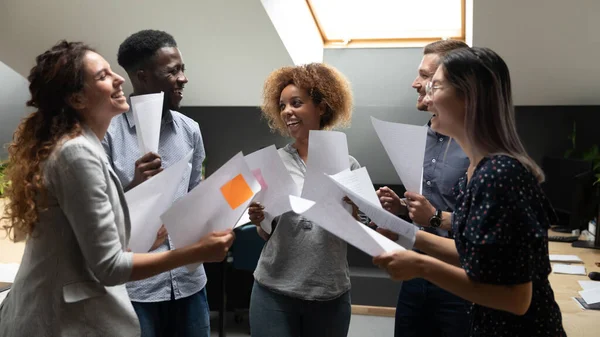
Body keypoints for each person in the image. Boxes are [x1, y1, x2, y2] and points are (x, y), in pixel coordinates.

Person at [0, 41, 234, 337]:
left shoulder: (83, 146)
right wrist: (195, 252)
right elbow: (109, 265)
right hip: (60, 320)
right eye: (102, 76)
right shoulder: (76, 154)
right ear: (77, 98)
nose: (119, 78)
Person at [374, 47, 566, 336]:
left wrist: (423, 266)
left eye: (435, 85)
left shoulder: (500, 174)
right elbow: (472, 252)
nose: (425, 95)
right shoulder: (476, 171)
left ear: (468, 98)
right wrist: (405, 233)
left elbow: (516, 299)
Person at [102, 30, 210, 337]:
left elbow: (194, 198)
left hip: (189, 283)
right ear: (143, 77)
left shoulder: (190, 130)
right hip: (135, 290)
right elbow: (96, 214)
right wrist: (135, 186)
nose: (183, 78)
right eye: (173, 71)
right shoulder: (108, 134)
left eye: (182, 69)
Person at [247, 63, 358, 337]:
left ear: (321, 106)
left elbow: (356, 230)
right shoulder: (272, 162)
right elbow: (266, 232)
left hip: (330, 292)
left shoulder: (348, 163)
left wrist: (357, 207)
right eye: (283, 105)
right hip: (273, 291)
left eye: (296, 103)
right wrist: (258, 220)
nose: (287, 112)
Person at [375, 39, 471, 337]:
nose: (416, 83)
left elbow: (485, 226)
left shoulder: (479, 146)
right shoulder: (415, 139)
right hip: (416, 273)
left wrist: (435, 217)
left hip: (461, 280)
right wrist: (402, 210)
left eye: (427, 76)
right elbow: (428, 208)